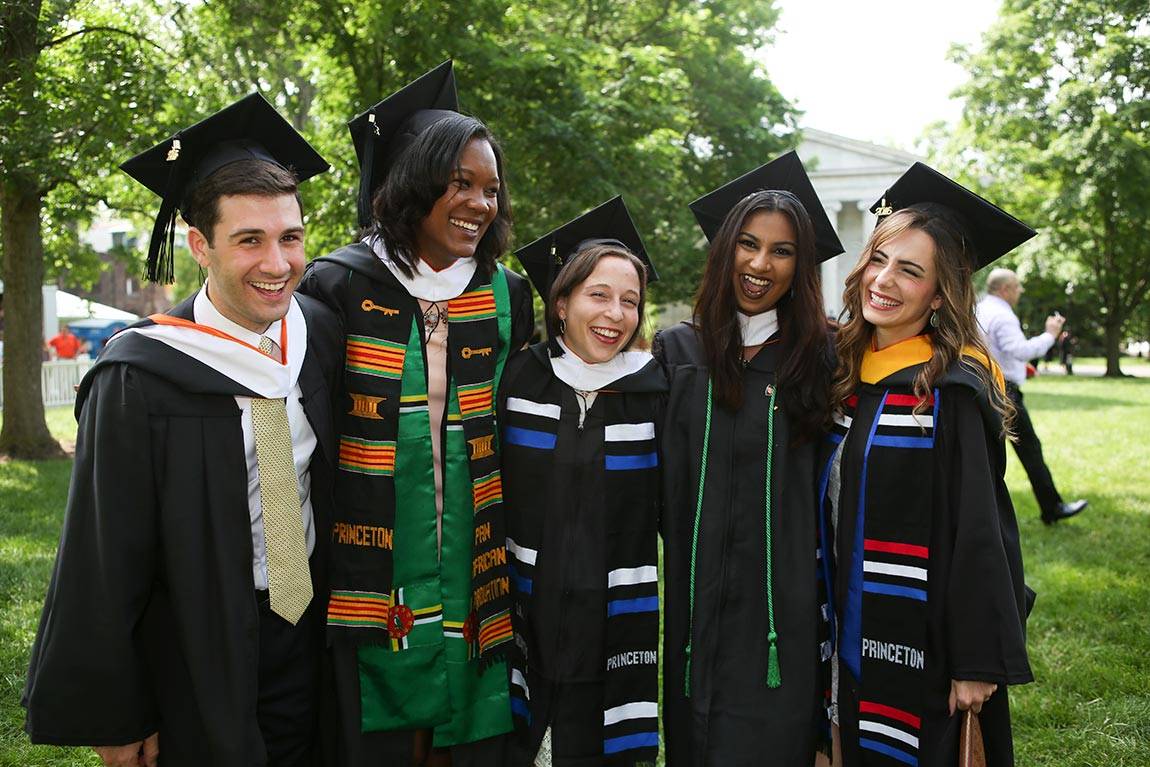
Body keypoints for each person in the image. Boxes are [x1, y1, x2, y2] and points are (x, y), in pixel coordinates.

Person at [22, 94, 340, 766]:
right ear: (200, 245)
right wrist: (120, 714)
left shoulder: (320, 335)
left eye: (290, 236)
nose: (278, 263)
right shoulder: (140, 374)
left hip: (313, 631)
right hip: (198, 649)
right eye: (249, 240)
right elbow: (105, 559)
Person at [296, 62, 534, 766]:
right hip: (375, 556)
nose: (480, 203)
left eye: (490, 188)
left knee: (465, 712)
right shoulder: (338, 284)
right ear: (413, 182)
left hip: (473, 549)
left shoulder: (505, 295)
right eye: (460, 182)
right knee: (384, 729)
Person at [825, 163, 1034, 766]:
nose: (883, 280)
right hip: (846, 626)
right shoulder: (846, 371)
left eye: (909, 271)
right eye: (879, 260)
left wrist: (975, 659)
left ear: (939, 294)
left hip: (929, 640)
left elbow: (981, 527)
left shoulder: (949, 390)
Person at [656, 151, 843, 765]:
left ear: (802, 265)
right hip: (694, 601)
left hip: (781, 607)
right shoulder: (678, 352)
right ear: (724, 249)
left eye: (782, 251)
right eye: (748, 244)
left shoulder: (821, 359)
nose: (760, 264)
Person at [501, 197, 666, 766]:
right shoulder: (518, 379)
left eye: (630, 301)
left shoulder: (654, 391)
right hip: (523, 603)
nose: (616, 314)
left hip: (614, 616)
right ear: (562, 301)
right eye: (599, 295)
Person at [977, 267, 1087, 524]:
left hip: (985, 385)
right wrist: (1050, 334)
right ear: (1005, 289)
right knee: (1030, 449)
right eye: (1017, 287)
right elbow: (1020, 350)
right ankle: (1053, 508)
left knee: (985, 453)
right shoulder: (1003, 315)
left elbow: (994, 350)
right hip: (1005, 392)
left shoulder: (979, 309)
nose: (1021, 291)